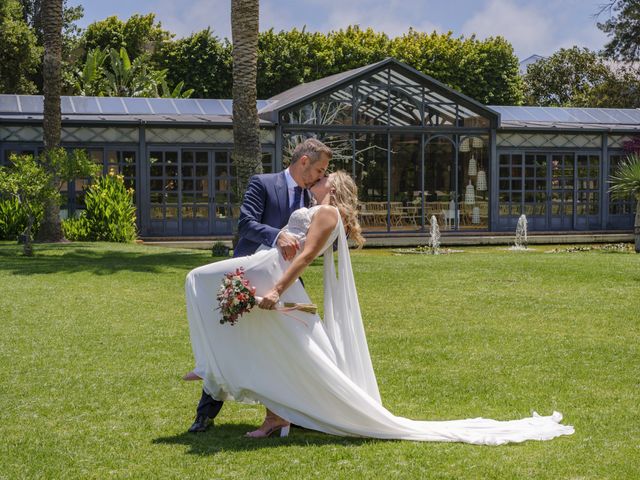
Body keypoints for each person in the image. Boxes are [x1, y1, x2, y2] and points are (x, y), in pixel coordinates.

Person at [184, 171, 575, 444]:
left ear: (331, 189)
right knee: (270, 344)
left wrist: (278, 291)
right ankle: (230, 381)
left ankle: (227, 379)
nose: (314, 181)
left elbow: (302, 258)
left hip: (278, 275)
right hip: (272, 270)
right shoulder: (320, 209)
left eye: (321, 179)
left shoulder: (326, 212)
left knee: (200, 280)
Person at [186, 138, 331, 433]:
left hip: (285, 282)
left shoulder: (312, 198)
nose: (321, 176)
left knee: (289, 347)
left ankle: (299, 413)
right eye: (319, 169)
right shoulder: (263, 183)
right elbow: (246, 224)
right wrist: (277, 235)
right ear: (304, 161)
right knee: (234, 342)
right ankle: (205, 413)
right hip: (248, 278)